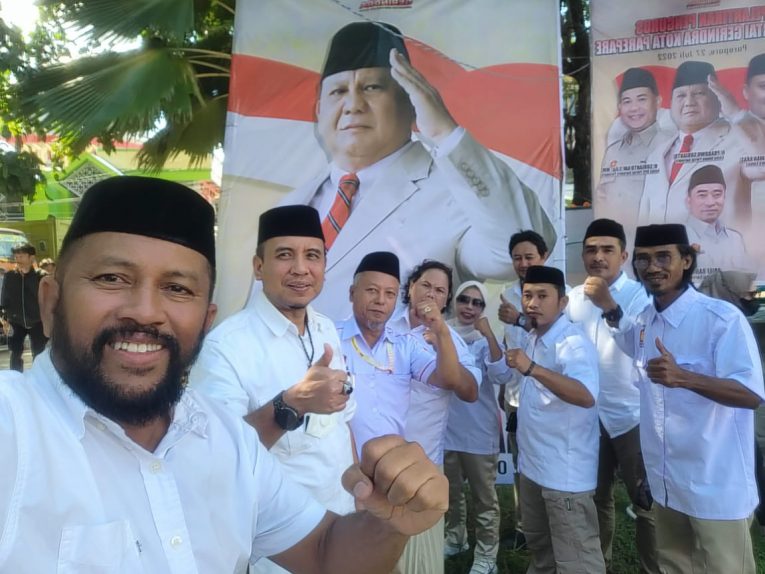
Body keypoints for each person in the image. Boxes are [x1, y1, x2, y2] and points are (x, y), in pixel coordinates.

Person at [0, 176, 448, 573]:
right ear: (50, 302)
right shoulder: (14, 430)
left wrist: (387, 520)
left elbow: (326, 552)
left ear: (204, 318)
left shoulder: (222, 435)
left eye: (177, 288)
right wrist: (289, 404)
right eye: (112, 278)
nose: (146, 311)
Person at [278, 21, 556, 320]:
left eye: (371, 87)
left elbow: (522, 248)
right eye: (338, 91)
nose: (353, 105)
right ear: (319, 110)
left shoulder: (456, 193)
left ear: (411, 102)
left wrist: (444, 133)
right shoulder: (293, 205)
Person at [190, 205, 356, 573]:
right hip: (283, 549)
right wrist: (290, 405)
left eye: (312, 255)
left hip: (343, 522)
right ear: (258, 267)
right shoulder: (227, 347)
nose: (300, 268)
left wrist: (358, 489)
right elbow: (216, 458)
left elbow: (341, 425)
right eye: (284, 255)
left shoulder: (326, 329)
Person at [605, 223, 764, 574]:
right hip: (667, 484)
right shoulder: (645, 322)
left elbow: (751, 394)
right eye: (643, 259)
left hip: (715, 486)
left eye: (664, 257)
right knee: (673, 567)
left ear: (687, 261)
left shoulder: (721, 319)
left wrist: (684, 377)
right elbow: (648, 389)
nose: (652, 267)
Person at [565, 219, 658, 573]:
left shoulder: (642, 295)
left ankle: (655, 567)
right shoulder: (574, 299)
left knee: (647, 502)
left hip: (633, 415)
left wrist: (608, 305)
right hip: (588, 416)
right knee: (595, 497)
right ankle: (597, 564)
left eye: (607, 249)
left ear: (624, 256)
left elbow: (644, 345)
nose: (598, 257)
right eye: (591, 250)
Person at [503, 265, 605, 574]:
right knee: (541, 551)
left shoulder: (572, 343)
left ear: (562, 302)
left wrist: (532, 369)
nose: (532, 303)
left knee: (577, 560)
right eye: (527, 296)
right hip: (534, 468)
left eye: (542, 296)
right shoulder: (534, 337)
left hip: (564, 475)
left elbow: (585, 394)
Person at [389, 259, 479, 574]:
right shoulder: (384, 326)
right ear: (410, 288)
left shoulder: (451, 341)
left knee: (418, 560)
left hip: (422, 462)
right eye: (425, 285)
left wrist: (441, 338)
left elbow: (469, 391)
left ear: (445, 300)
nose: (431, 294)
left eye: (440, 290)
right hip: (376, 460)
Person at [336, 251, 468, 457]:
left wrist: (441, 331)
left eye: (390, 294)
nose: (380, 300)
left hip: (391, 467)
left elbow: (450, 380)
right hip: (339, 466)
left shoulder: (404, 345)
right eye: (372, 290)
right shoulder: (328, 338)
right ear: (352, 293)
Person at [443, 281, 513, 574]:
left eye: (477, 303)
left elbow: (501, 375)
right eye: (464, 300)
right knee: (450, 493)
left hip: (478, 431)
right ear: (454, 302)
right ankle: (455, 538)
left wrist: (489, 335)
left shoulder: (486, 340)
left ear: (484, 308)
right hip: (446, 429)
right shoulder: (442, 333)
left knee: (484, 498)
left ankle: (486, 555)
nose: (469, 307)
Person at [638, 61, 751, 230]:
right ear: (671, 103)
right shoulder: (657, 154)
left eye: (699, 93)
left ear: (718, 99)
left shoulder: (738, 140)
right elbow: (644, 216)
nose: (689, 102)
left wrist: (737, 115)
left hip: (722, 245)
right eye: (681, 95)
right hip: (663, 245)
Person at [496, 228, 550, 547]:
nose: (523, 263)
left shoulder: (559, 292)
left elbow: (553, 332)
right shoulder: (507, 294)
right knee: (520, 462)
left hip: (549, 397)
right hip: (516, 397)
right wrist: (505, 388)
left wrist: (519, 319)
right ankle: (523, 527)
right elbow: (509, 343)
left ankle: (550, 524)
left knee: (547, 460)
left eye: (530, 256)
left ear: (544, 256)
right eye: (517, 257)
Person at [596, 68, 672, 231]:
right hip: (617, 240)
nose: (634, 108)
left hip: (652, 239)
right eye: (627, 101)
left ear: (658, 102)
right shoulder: (613, 151)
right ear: (619, 107)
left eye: (641, 99)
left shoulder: (670, 145)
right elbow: (602, 198)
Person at [682, 164, 749, 284]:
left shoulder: (735, 239)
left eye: (717, 195)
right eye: (702, 195)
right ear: (688, 200)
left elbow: (745, 282)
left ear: (724, 197)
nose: (710, 202)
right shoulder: (679, 238)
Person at [0, 242, 47, 371]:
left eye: (21, 256)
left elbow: (43, 296)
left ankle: (38, 376)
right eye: (16, 257)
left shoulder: (41, 275)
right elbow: (5, 297)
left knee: (38, 353)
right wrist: (4, 317)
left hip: (37, 321)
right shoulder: (10, 276)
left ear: (31, 257)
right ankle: (16, 377)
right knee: (15, 352)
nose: (18, 260)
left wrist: (28, 275)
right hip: (16, 321)